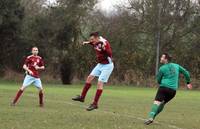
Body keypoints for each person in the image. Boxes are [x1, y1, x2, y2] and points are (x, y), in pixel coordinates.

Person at [144, 53, 192, 125]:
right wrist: (188, 82)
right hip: (173, 91)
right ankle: (153, 118)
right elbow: (186, 73)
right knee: (162, 103)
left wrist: (161, 82)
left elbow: (158, 80)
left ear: (166, 59)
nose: (160, 58)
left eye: (162, 57)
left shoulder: (162, 68)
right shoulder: (177, 66)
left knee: (156, 103)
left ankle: (150, 117)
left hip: (163, 88)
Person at [72, 32, 114, 111]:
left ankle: (95, 104)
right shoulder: (95, 41)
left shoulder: (104, 43)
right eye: (90, 40)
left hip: (107, 66)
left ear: (97, 38)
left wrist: (103, 49)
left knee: (99, 82)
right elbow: (93, 43)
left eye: (92, 39)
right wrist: (87, 43)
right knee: (89, 78)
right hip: (100, 64)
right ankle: (82, 97)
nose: (91, 41)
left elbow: (110, 53)